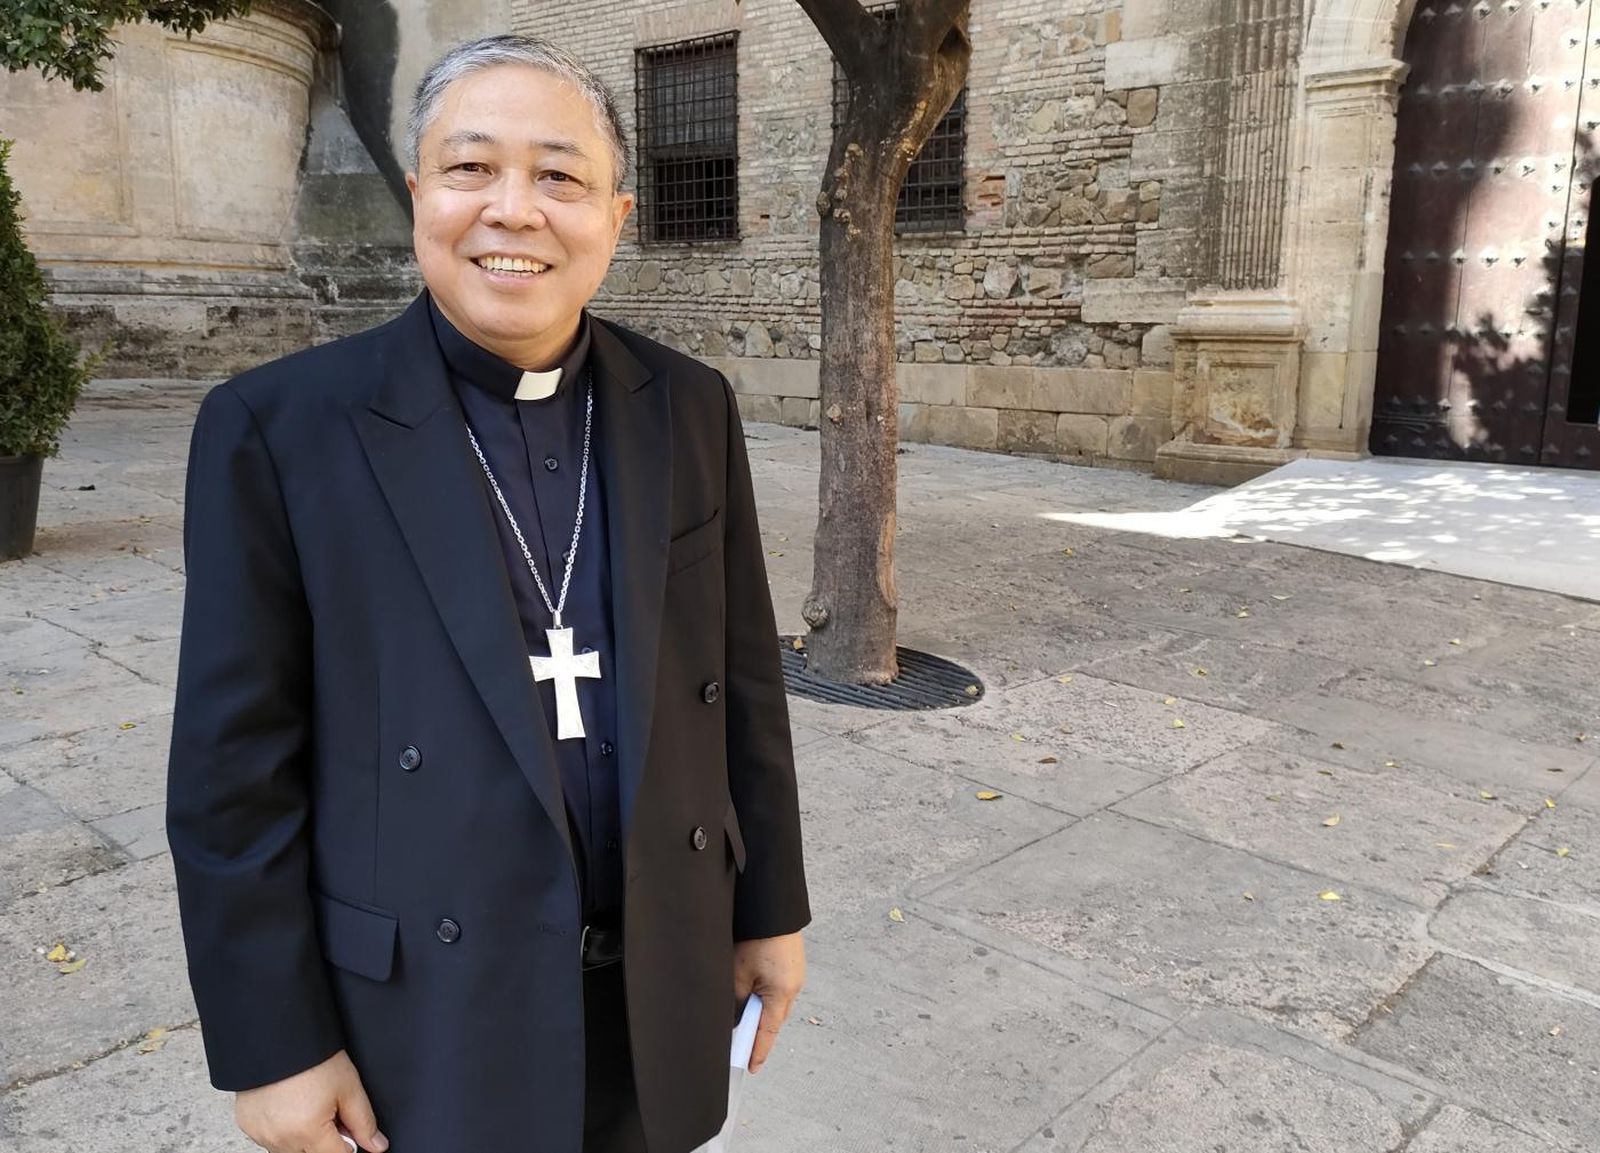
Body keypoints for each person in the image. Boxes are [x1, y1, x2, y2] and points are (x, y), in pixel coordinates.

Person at [165, 35, 810, 1153]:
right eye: (471, 169)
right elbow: (233, 771)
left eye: (559, 176)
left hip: (658, 977)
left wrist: (769, 910)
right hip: (424, 1007)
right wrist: (272, 1044)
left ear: (615, 216)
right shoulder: (279, 428)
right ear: (419, 197)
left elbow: (741, 680)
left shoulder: (688, 404)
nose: (513, 210)